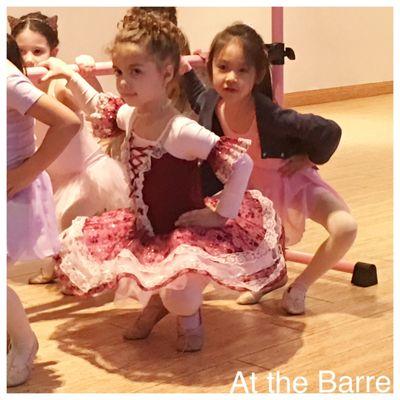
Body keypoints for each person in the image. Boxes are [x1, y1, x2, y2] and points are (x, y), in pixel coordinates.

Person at [39, 9, 286, 352]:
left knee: (182, 295)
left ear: (166, 73)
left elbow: (240, 163)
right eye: (119, 72)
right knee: (151, 273)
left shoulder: (180, 130)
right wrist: (66, 72)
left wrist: (221, 215)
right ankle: (160, 306)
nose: (123, 83)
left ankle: (188, 316)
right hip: (146, 227)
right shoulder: (132, 116)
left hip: (184, 231)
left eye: (136, 72)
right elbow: (97, 102)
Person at [180, 23, 358, 314]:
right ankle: (269, 279)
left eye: (242, 71)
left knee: (345, 228)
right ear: (211, 67)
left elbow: (330, 131)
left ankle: (299, 286)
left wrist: (309, 157)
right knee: (259, 243)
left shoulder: (272, 115)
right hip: (253, 193)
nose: (231, 78)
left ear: (257, 75)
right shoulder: (214, 103)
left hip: (292, 181)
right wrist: (186, 69)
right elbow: (198, 97)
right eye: (223, 67)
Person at [9, 12, 130, 284]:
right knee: (48, 225)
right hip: (56, 174)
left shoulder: (58, 84)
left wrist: (82, 73)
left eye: (37, 51)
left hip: (87, 171)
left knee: (70, 226)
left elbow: (95, 104)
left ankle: (83, 277)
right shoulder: (17, 86)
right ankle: (56, 269)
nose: (29, 59)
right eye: (21, 52)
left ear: (54, 52)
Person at [7, 34, 81, 386]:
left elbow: (68, 122)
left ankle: (23, 342)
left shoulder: (6, 78)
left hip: (12, 191)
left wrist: (26, 172)